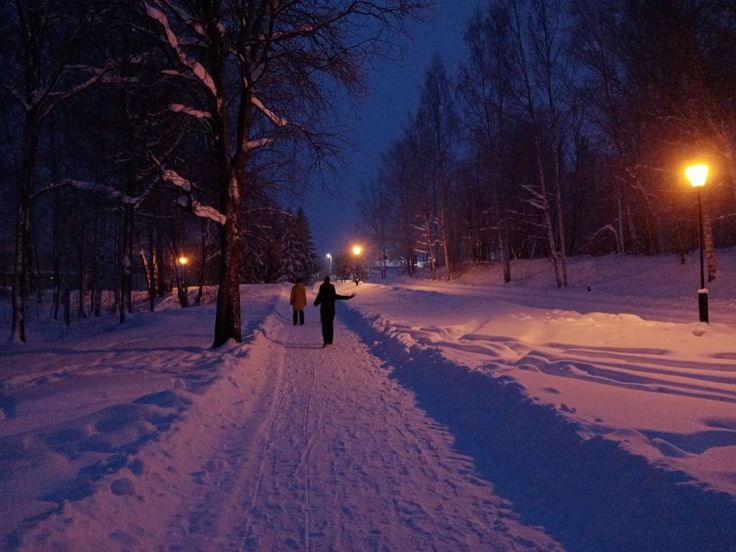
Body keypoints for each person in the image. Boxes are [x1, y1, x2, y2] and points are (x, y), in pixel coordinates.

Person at [313, 276, 354, 347]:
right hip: (331, 310)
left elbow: (316, 302)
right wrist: (348, 297)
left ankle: (325, 340)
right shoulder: (332, 288)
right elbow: (338, 296)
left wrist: (317, 302)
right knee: (330, 325)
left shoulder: (322, 288)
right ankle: (330, 340)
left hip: (324, 311)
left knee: (324, 326)